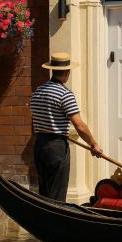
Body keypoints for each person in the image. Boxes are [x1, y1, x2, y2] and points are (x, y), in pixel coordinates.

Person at [30, 52, 103, 202]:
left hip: (40, 144)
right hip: (56, 147)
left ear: (52, 70)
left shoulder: (37, 92)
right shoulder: (65, 94)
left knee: (45, 191)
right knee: (56, 193)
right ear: (67, 72)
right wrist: (93, 144)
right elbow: (79, 125)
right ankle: (55, 224)